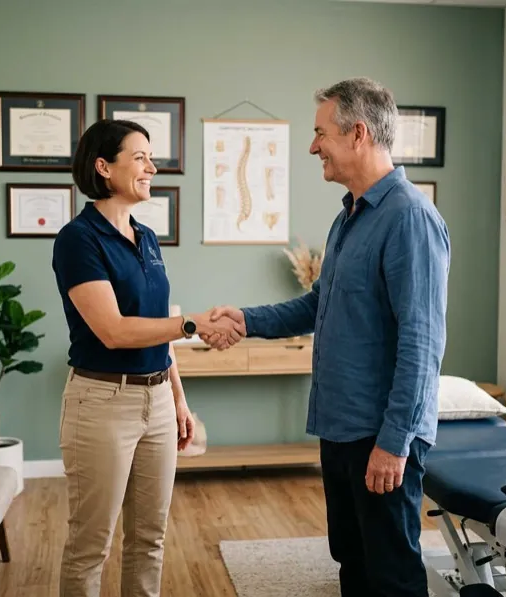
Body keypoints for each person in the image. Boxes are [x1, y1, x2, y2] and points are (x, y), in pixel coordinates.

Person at [206, 77, 451, 597]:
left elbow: (422, 343)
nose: (313, 145)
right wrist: (246, 319)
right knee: (352, 562)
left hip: (378, 434)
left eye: (321, 133)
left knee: (391, 575)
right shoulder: (350, 216)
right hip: (341, 427)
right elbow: (319, 305)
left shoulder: (410, 218)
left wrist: (394, 442)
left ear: (358, 133)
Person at [51, 118, 243, 597]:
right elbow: (114, 331)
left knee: (149, 539)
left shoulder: (148, 237)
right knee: (90, 545)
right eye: (140, 157)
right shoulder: (79, 239)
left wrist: (177, 399)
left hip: (157, 401)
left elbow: (155, 329)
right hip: (101, 404)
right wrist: (191, 323)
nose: (152, 167)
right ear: (104, 167)